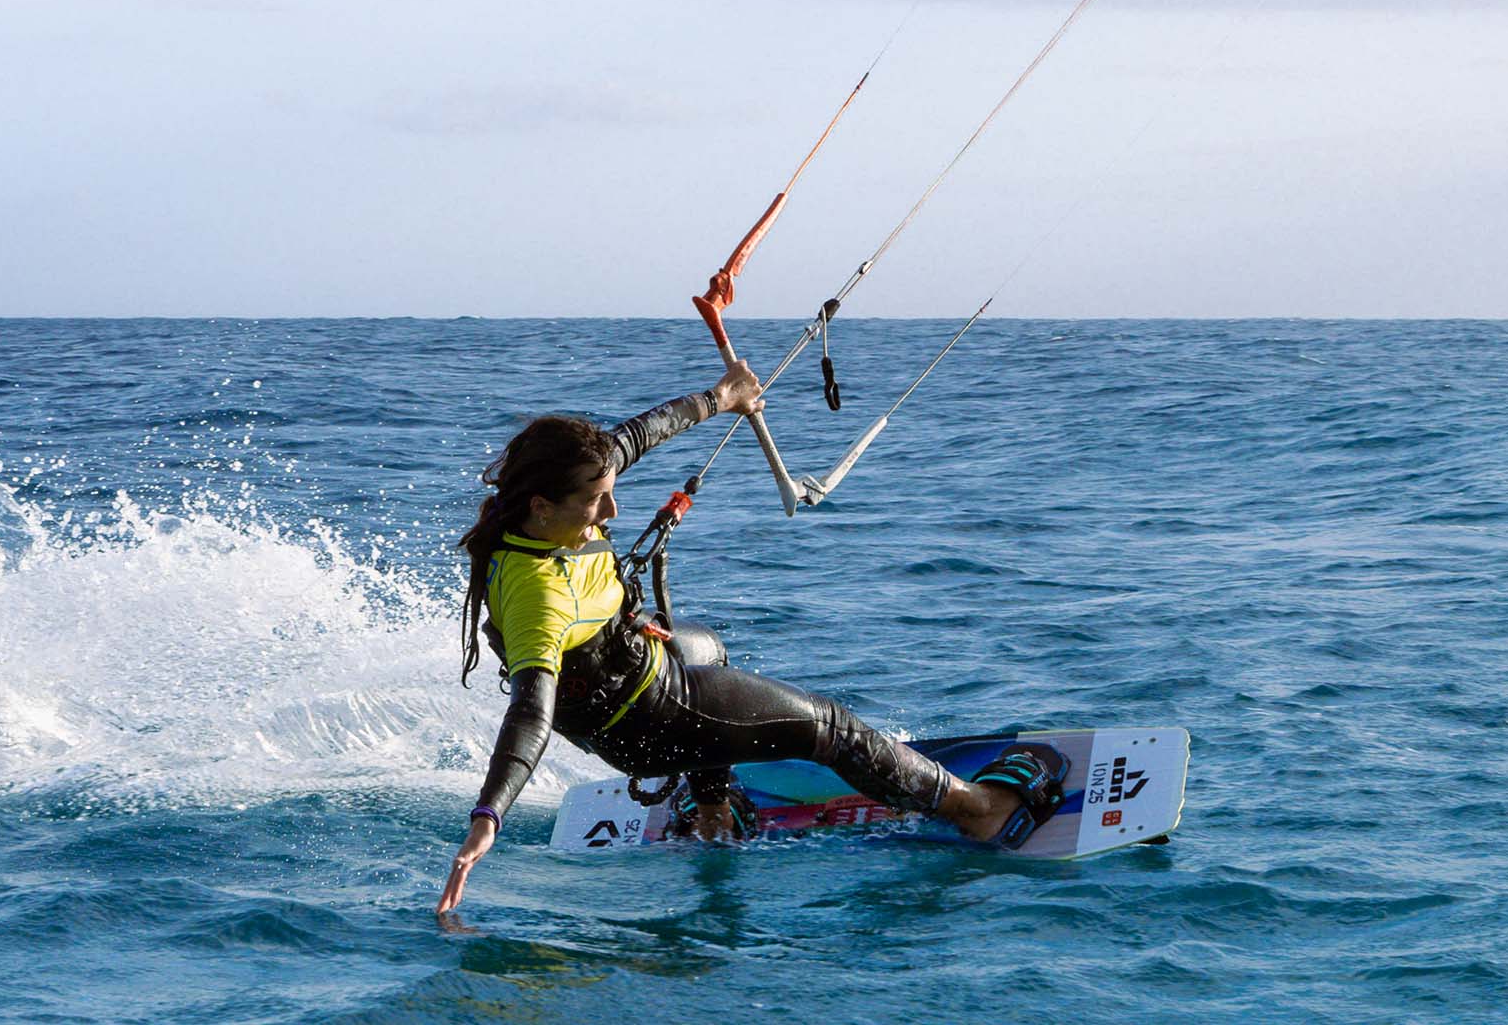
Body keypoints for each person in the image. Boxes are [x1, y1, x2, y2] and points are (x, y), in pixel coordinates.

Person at [436, 361, 1067, 915]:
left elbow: (637, 435)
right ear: (543, 505)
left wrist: (723, 396)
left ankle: (713, 810)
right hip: (649, 718)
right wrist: (489, 816)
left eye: (611, 493)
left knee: (705, 646)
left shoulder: (547, 504)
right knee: (832, 729)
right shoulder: (537, 597)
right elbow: (529, 709)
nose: (611, 513)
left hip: (639, 672)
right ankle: (974, 810)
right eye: (595, 503)